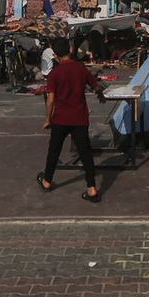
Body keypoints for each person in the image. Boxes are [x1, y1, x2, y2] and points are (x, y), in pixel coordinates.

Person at [37, 42, 106, 202]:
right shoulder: (80, 69)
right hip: (79, 117)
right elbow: (96, 87)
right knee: (85, 153)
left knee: (54, 150)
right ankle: (92, 188)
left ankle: (47, 180)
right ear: (70, 50)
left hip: (61, 118)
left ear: (55, 56)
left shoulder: (55, 74)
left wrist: (47, 119)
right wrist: (101, 96)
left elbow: (51, 100)